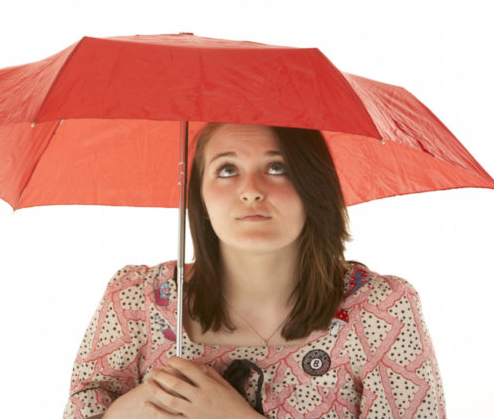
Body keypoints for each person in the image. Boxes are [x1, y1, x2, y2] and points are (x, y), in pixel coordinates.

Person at [63, 123, 445, 418]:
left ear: (314, 183)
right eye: (227, 169)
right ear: (199, 194)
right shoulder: (135, 300)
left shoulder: (381, 312)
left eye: (276, 167)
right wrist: (124, 413)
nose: (251, 190)